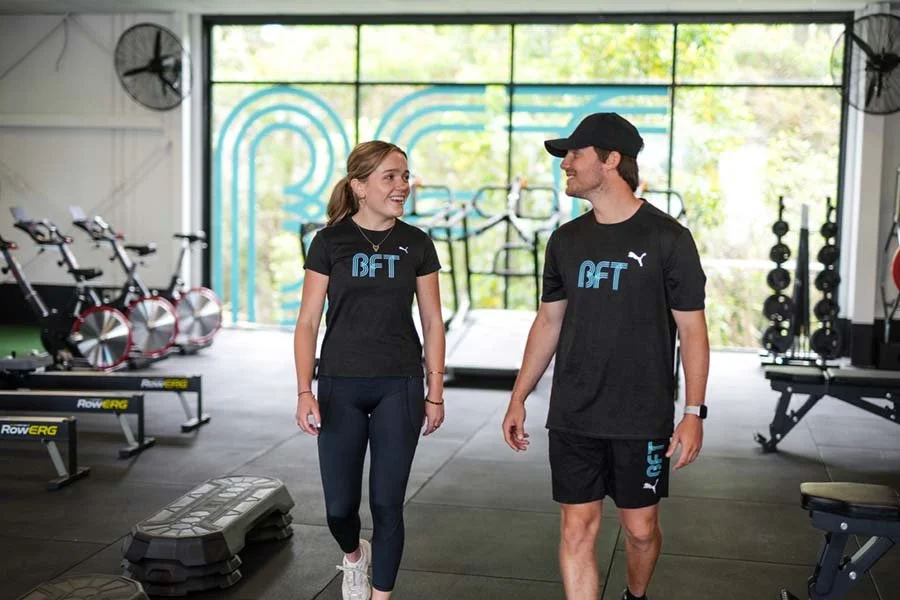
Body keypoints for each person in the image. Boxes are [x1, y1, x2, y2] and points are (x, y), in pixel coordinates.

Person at [501, 113, 709, 600]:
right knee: (577, 529)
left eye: (575, 154)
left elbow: (693, 333)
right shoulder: (566, 241)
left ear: (611, 160)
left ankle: (634, 596)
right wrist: (519, 396)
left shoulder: (669, 240)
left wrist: (694, 412)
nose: (565, 164)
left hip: (642, 415)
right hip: (574, 411)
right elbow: (548, 321)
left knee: (640, 531)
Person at [293, 140, 446, 600]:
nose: (403, 185)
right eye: (391, 176)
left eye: (405, 176)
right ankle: (354, 558)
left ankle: (382, 595)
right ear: (360, 186)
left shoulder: (416, 243)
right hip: (340, 384)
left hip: (399, 383)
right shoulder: (329, 242)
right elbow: (306, 322)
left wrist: (434, 391)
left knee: (386, 504)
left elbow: (433, 320)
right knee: (339, 509)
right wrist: (304, 390)